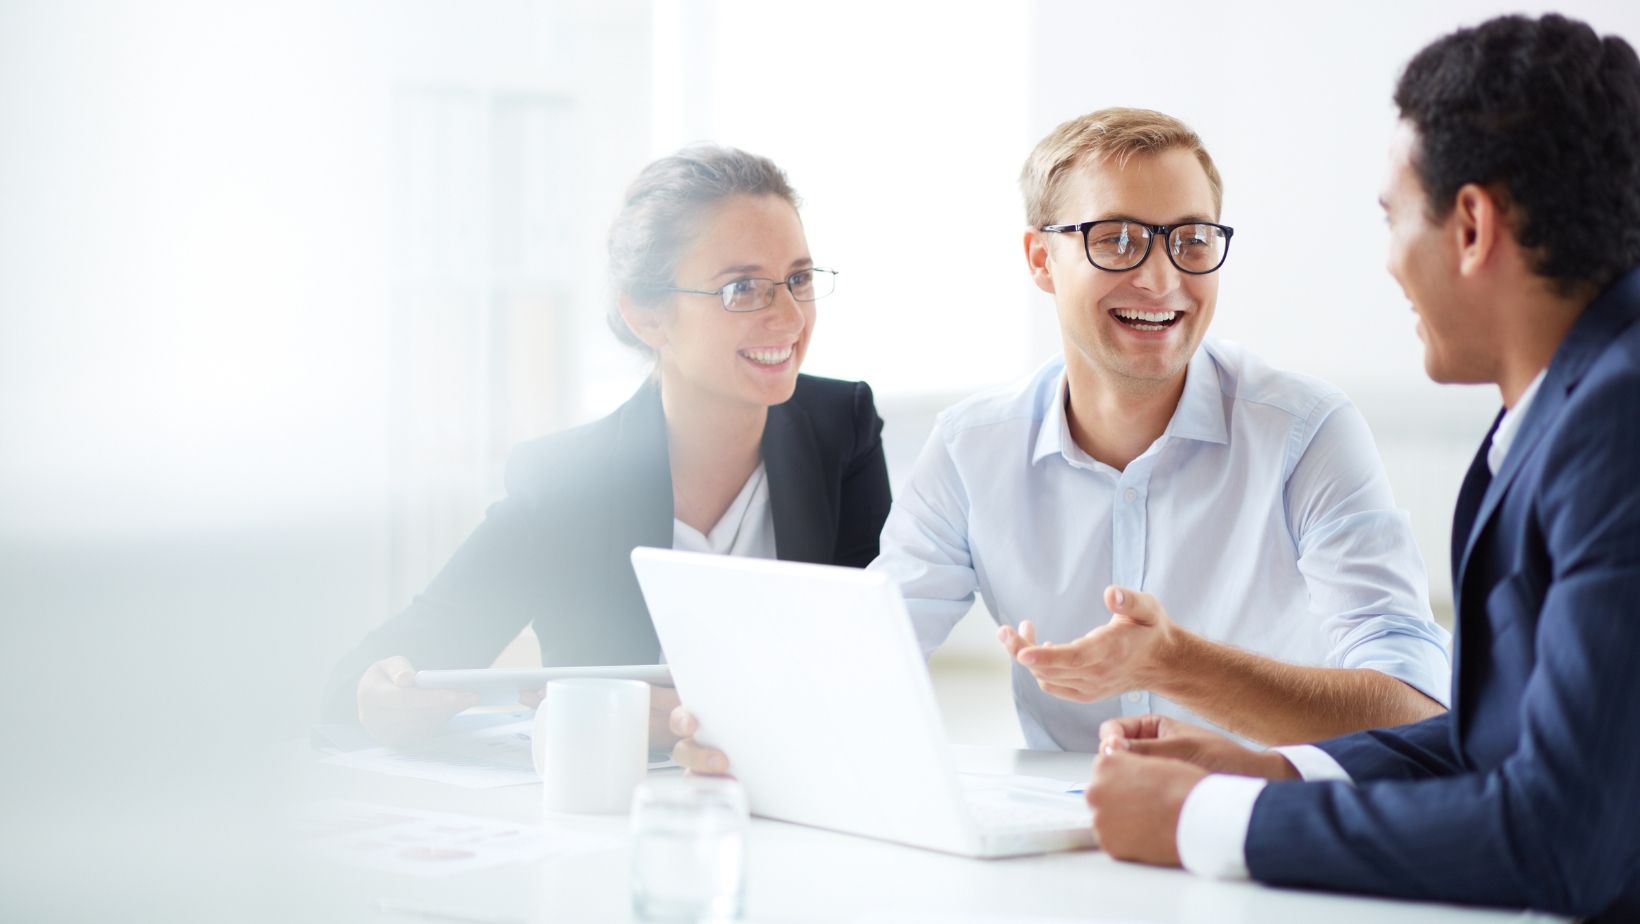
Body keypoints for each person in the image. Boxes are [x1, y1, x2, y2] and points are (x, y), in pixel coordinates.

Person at [671, 108, 1450, 773]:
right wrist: (733, 726)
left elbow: (1415, 707)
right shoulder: (975, 449)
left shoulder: (1306, 433)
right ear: (1041, 259)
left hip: (1266, 833)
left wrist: (1178, 664)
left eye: (1191, 239)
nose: (1160, 278)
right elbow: (867, 650)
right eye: (1116, 239)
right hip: (1069, 841)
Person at [1083, 14, 1640, 921]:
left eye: (1392, 219)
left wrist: (1211, 822)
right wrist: (1276, 771)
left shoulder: (1617, 422)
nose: (1386, 264)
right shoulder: (1574, 400)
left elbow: (1562, 834)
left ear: (1470, 226)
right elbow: (1515, 743)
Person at [323, 145, 892, 746]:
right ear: (649, 318)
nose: (789, 317)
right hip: (616, 813)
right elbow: (376, 673)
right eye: (742, 287)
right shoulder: (568, 482)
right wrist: (376, 695)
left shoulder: (840, 429)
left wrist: (722, 715)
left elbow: (877, 669)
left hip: (799, 805)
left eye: (797, 280)